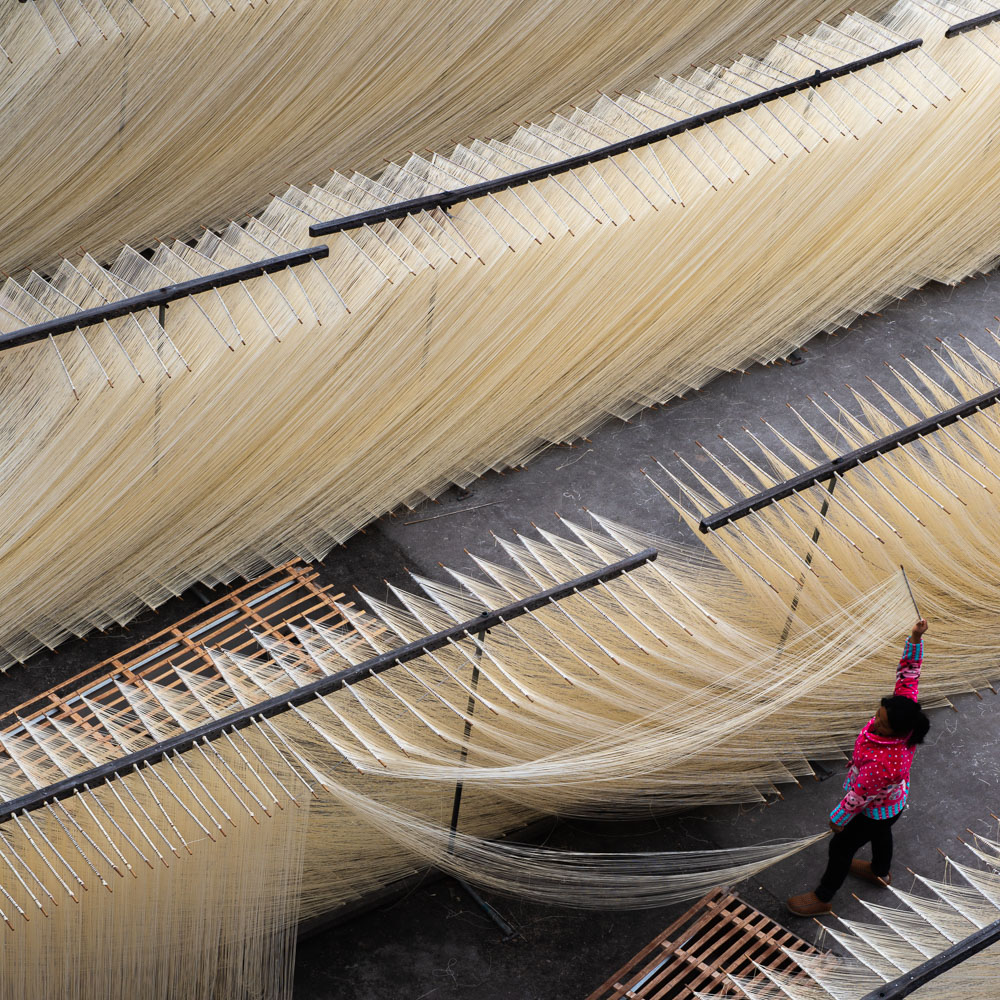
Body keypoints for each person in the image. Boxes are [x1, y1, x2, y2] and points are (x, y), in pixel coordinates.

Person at [786, 618, 930, 917]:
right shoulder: (905, 712)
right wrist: (915, 638)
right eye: (878, 715)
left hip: (874, 806)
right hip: (892, 804)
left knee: (840, 848)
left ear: (898, 731)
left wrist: (838, 818)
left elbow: (860, 795)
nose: (875, 722)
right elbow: (909, 673)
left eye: (881, 724)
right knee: (882, 832)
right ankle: (879, 871)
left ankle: (823, 897)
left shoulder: (886, 762)